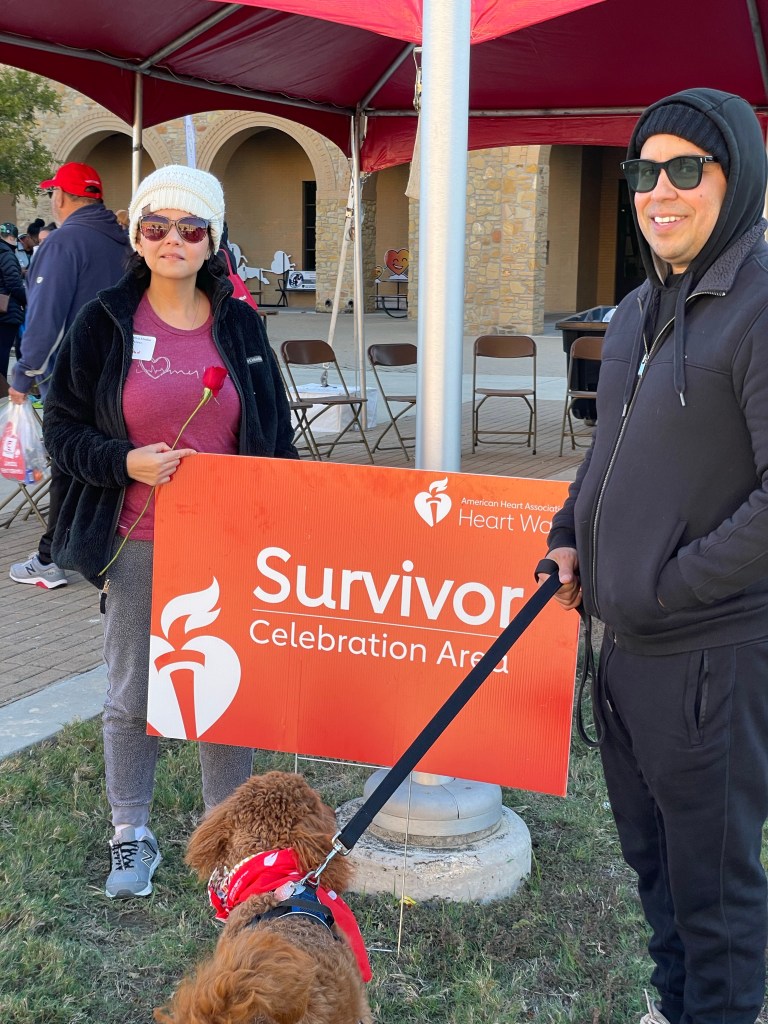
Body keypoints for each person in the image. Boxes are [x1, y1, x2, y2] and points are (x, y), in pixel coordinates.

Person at [542, 88, 768, 1024]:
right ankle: (677, 1006)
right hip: (623, 650)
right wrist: (567, 535)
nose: (659, 191)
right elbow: (608, 452)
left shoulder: (758, 306)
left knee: (713, 887)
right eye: (645, 170)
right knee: (653, 863)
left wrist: (668, 585)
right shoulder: (638, 308)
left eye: (686, 168)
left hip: (710, 655)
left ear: (735, 178)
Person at [42, 164, 298, 900]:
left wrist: (285, 521)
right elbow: (61, 428)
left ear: (212, 240)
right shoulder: (104, 320)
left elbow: (274, 433)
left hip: (229, 543)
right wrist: (123, 461)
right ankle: (131, 830)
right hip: (137, 539)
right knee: (133, 691)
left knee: (225, 691)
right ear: (137, 236)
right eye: (156, 226)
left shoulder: (240, 324)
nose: (172, 240)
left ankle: (232, 837)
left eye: (191, 228)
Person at [8, 162, 128, 589]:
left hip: (73, 375)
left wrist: (24, 373)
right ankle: (93, 549)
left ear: (60, 196)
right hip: (122, 373)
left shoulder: (63, 242)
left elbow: (47, 319)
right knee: (98, 461)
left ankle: (50, 558)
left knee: (68, 463)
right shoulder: (122, 240)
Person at [0, 223, 26, 380]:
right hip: (6, 311)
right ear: (12, 237)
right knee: (3, 351)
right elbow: (14, 285)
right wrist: (29, 299)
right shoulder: (7, 254)